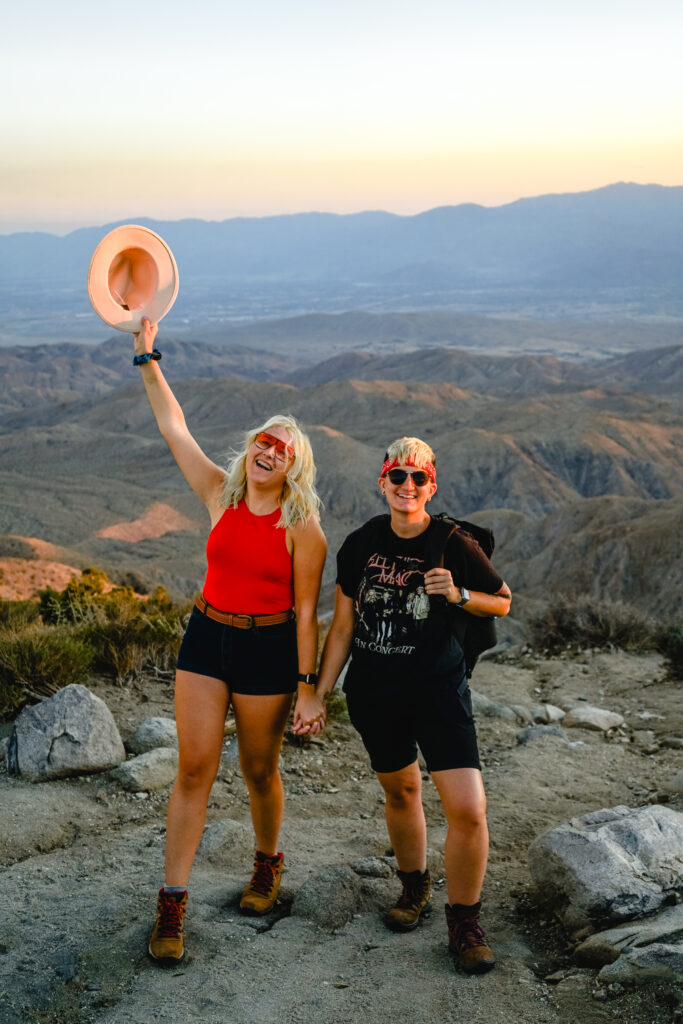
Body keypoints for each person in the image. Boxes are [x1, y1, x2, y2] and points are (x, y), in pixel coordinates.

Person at [133, 319, 327, 965]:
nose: (271, 452)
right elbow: (174, 427)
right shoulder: (221, 492)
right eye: (264, 442)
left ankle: (267, 862)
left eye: (284, 449)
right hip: (207, 635)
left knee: (258, 769)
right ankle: (171, 902)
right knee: (193, 768)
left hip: (268, 650)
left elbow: (306, 616)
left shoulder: (304, 530)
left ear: (295, 466)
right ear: (251, 448)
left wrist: (308, 689)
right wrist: (146, 357)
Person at [294, 436, 511, 974]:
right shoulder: (361, 543)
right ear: (382, 482)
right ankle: (413, 890)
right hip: (375, 690)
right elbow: (342, 624)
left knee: (468, 808)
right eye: (398, 476)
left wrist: (458, 593)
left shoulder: (454, 542)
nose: (407, 486)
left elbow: (503, 601)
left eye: (418, 478)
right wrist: (318, 692)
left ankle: (464, 921)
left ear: (431, 486)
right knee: (402, 790)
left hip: (439, 691)